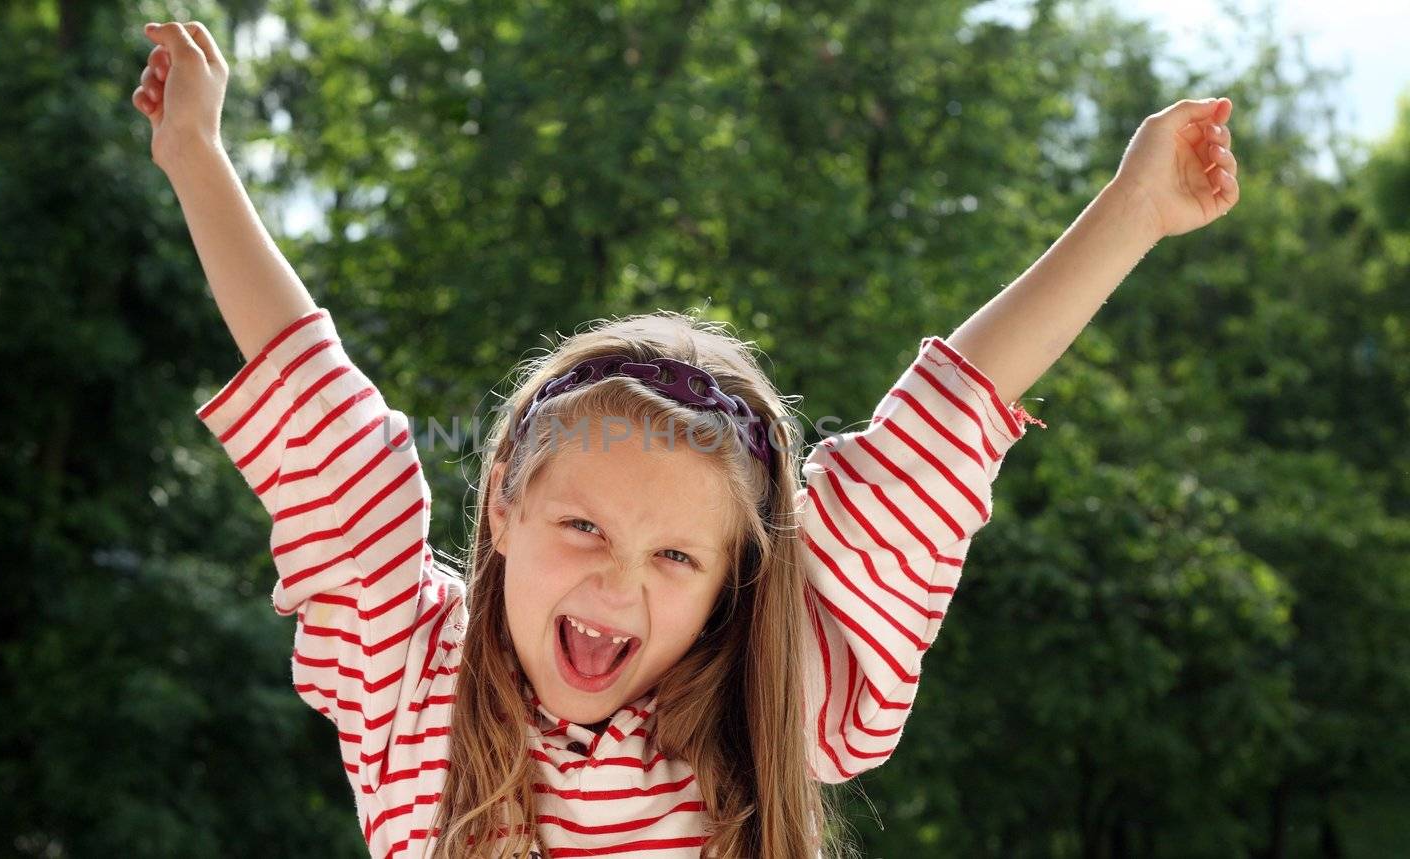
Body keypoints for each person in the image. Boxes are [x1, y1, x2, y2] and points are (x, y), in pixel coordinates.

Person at [132, 18, 1240, 859]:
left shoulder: (763, 706)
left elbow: (928, 444)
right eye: (582, 524)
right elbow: (324, 422)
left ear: (729, 580)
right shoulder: (404, 670)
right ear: (505, 507)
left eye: (674, 556)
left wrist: (1134, 209)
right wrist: (196, 157)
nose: (618, 581)